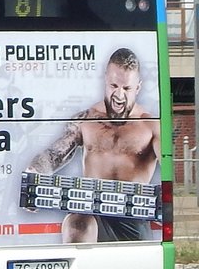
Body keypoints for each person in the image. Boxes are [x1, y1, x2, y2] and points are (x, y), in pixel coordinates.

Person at [25, 48, 161, 242]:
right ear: (105, 80)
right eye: (114, 85)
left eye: (127, 88)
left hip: (133, 219)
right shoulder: (86, 120)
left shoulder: (151, 125)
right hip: (93, 213)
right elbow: (55, 154)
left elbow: (169, 163)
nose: (119, 96)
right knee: (76, 222)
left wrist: (169, 198)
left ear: (137, 88)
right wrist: (34, 173)